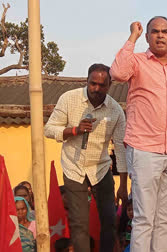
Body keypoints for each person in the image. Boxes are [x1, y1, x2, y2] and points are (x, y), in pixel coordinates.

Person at [110, 16, 167, 252]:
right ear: (147, 37)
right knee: (144, 219)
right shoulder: (137, 62)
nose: (161, 35)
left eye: (166, 31)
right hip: (144, 149)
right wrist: (132, 36)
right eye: (155, 31)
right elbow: (117, 73)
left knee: (164, 219)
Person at [44, 63, 127, 252]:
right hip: (74, 168)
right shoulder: (68, 99)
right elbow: (48, 129)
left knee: (109, 221)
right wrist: (75, 130)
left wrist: (123, 183)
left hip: (101, 168)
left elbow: (121, 148)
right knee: (79, 225)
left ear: (109, 85)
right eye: (92, 84)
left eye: (101, 85)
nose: (96, 89)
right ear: (86, 81)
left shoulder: (116, 111)